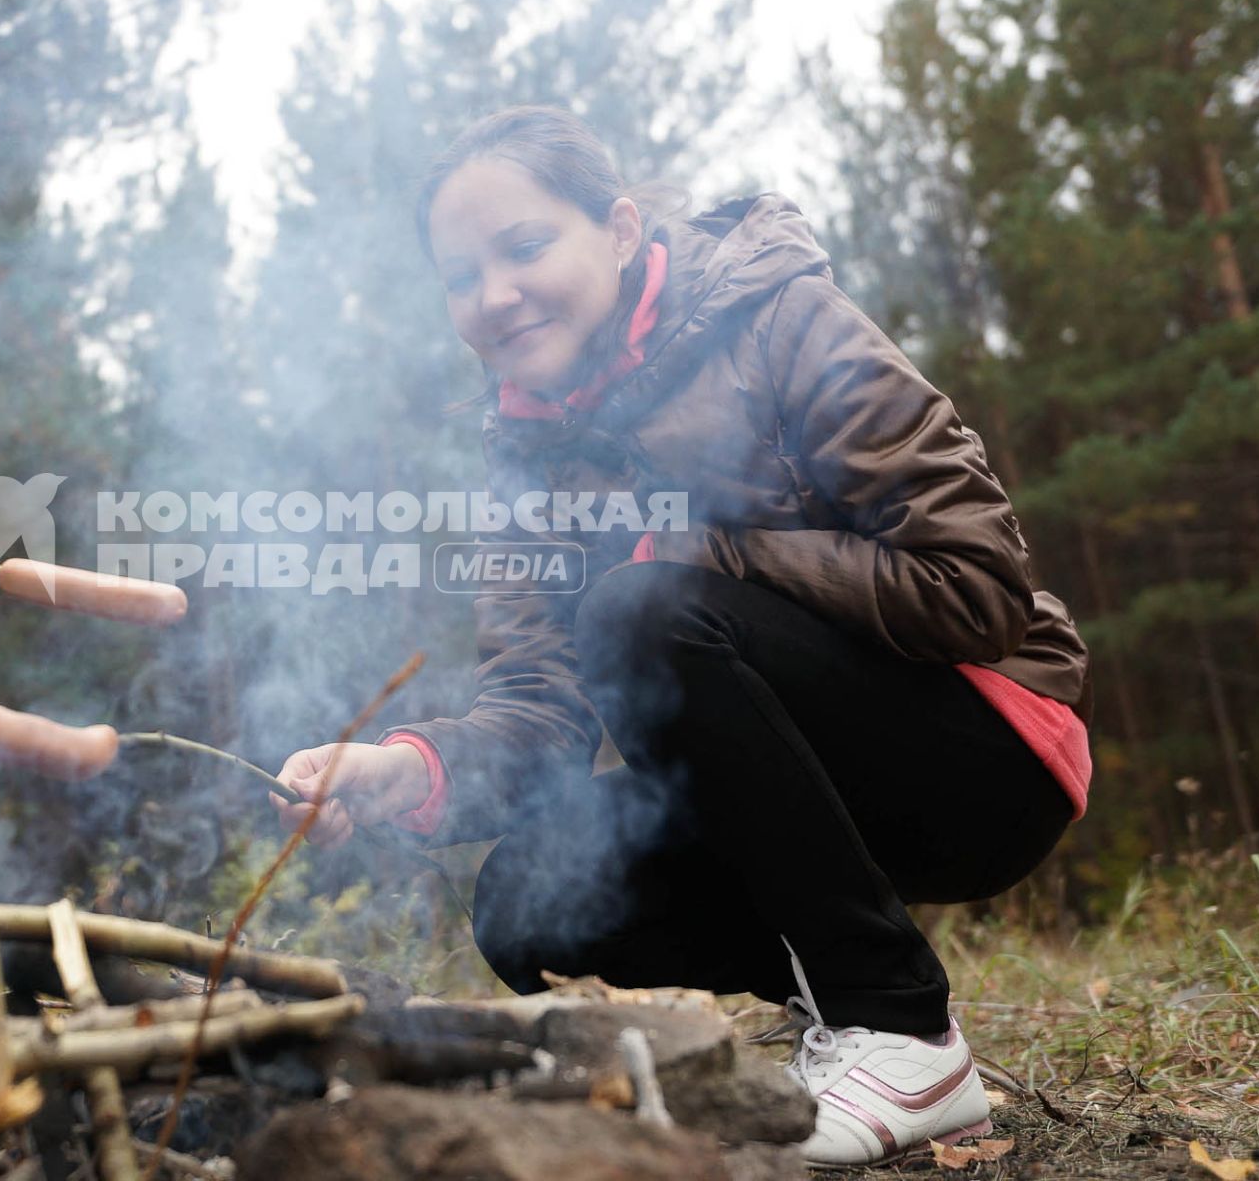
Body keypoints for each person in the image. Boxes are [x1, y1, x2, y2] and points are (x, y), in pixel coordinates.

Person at [273, 106, 1090, 1166]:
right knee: (527, 897)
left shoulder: (782, 320)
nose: (495, 295)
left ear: (616, 230)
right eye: (461, 275)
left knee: (636, 603)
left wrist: (705, 557)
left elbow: (977, 588)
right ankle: (839, 990)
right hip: (798, 797)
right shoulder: (526, 453)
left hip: (986, 750)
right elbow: (537, 716)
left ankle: (900, 1028)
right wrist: (406, 768)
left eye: (525, 247)